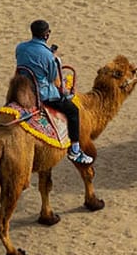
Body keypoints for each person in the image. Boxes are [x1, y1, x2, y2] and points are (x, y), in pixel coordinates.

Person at [14, 22, 91, 164]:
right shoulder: (48, 56)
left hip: (23, 90)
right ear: (46, 34)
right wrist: (52, 58)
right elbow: (52, 79)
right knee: (73, 111)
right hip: (42, 94)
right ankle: (75, 150)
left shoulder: (20, 48)